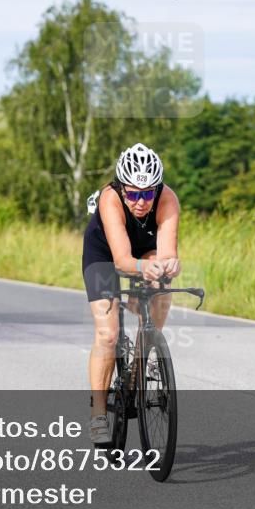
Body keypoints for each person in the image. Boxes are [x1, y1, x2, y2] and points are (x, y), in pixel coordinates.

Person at [81, 143, 181, 445]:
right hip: (104, 254)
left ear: (157, 189)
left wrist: (168, 266)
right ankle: (99, 413)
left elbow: (166, 253)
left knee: (161, 277)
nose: (140, 201)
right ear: (122, 188)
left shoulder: (168, 200)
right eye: (134, 193)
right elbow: (123, 260)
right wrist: (140, 268)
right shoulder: (110, 200)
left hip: (144, 249)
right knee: (108, 335)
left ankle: (149, 350)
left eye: (147, 193)